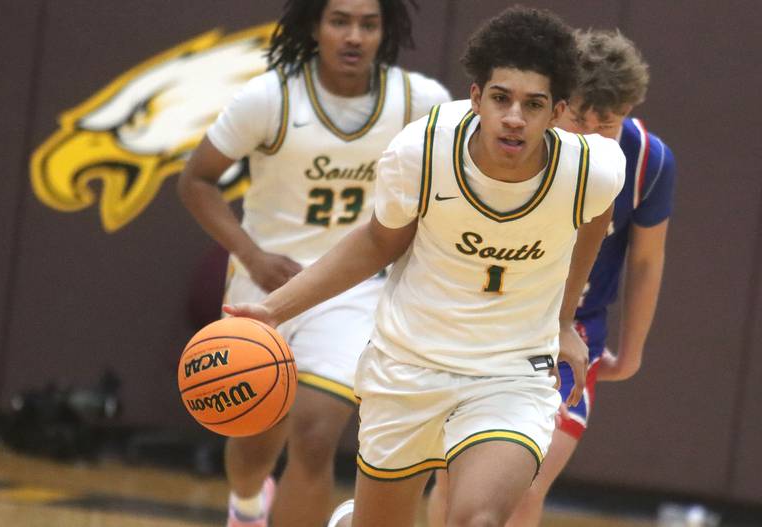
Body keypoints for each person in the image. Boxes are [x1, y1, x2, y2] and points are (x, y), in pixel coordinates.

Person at [223, 6, 626, 527]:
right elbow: (375, 242)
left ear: (558, 112)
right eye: (501, 98)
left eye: (534, 104)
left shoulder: (590, 170)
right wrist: (274, 310)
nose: (513, 117)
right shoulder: (422, 149)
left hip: (509, 373)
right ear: (476, 97)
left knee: (476, 519)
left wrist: (565, 320)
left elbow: (594, 220)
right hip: (407, 365)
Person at [177, 0, 450, 526]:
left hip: (353, 287)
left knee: (315, 434)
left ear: (384, 31)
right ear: (315, 25)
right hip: (267, 285)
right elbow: (196, 180)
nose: (354, 36)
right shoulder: (270, 97)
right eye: (340, 21)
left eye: (368, 24)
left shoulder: (419, 100)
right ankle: (248, 506)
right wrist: (251, 255)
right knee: (253, 444)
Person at [427, 28, 676, 527]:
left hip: (568, 333)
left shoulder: (647, 161)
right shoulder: (514, 142)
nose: (591, 136)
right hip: (484, 321)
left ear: (628, 112)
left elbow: (647, 261)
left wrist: (632, 350)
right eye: (580, 118)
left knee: (523, 482)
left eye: (608, 123)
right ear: (558, 104)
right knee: (456, 478)